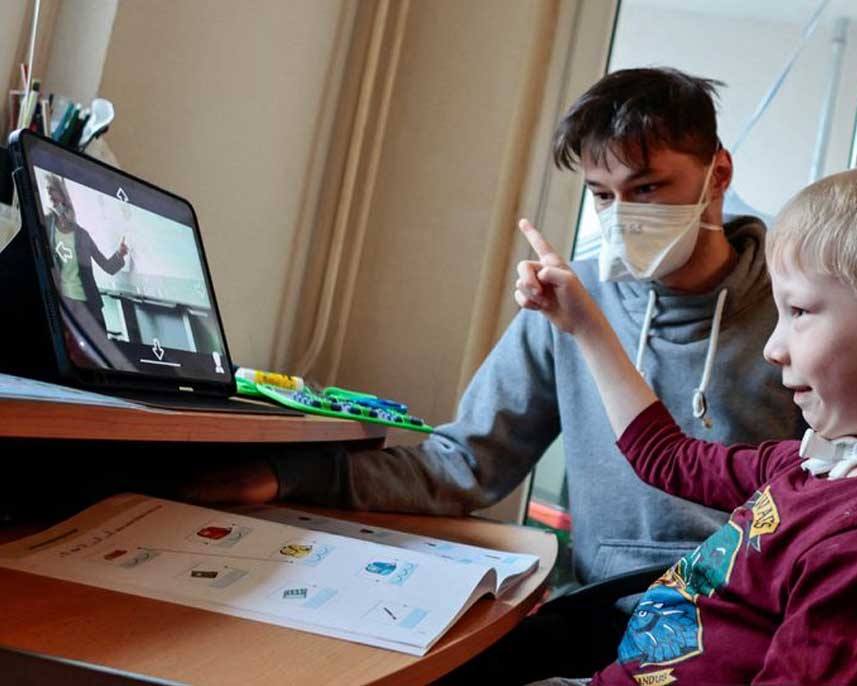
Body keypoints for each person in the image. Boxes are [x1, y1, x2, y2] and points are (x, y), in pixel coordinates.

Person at [185, 68, 805, 678]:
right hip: (605, 606)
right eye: (601, 194)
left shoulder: (800, 312)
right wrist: (281, 478)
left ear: (718, 173)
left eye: (646, 189)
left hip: (746, 613)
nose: (621, 217)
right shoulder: (570, 304)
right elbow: (465, 463)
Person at [513, 150, 857, 685]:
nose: (773, 348)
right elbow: (665, 458)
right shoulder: (812, 464)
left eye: (798, 313)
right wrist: (584, 325)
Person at [43, 173, 128, 332]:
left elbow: (108, 267)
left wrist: (119, 254)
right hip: (65, 306)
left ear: (62, 195)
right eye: (47, 190)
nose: (48, 194)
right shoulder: (47, 226)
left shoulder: (82, 234)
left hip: (90, 307)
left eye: (52, 190)